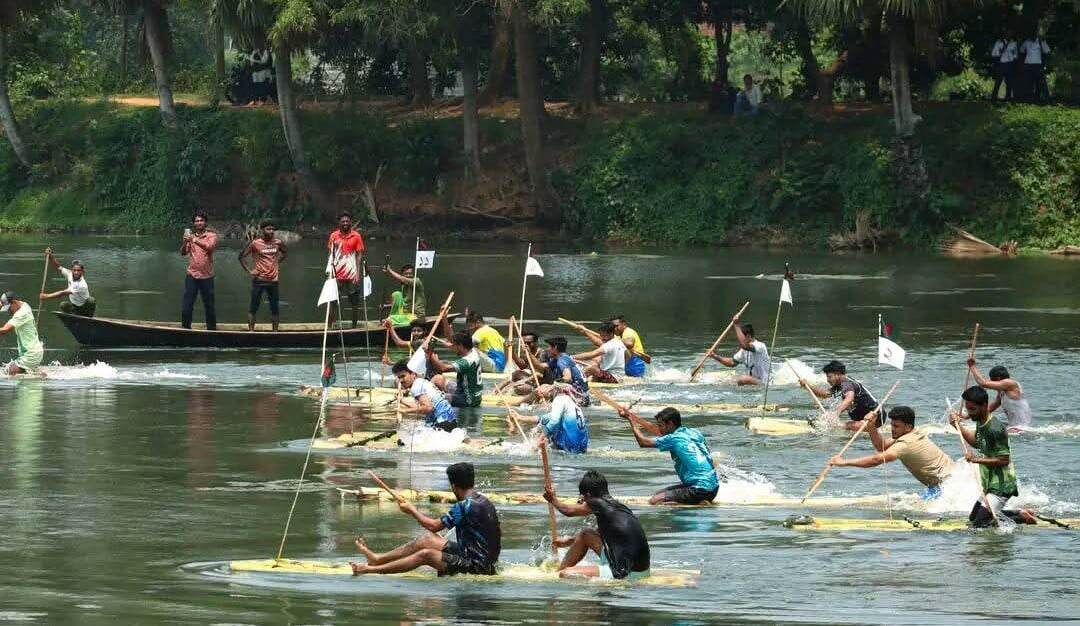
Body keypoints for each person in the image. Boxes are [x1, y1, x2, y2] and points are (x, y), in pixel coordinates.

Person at [351, 462, 501, 576]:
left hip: (477, 566)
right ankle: (377, 559)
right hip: (475, 556)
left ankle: (371, 569)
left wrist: (412, 511)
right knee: (426, 541)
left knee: (426, 554)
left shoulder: (464, 506)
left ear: (454, 486)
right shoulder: (484, 501)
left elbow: (434, 526)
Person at [543, 470, 650, 580]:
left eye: (582, 498)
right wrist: (569, 541)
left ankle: (560, 573)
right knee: (586, 534)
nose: (580, 501)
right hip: (641, 569)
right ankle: (559, 570)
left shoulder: (596, 502)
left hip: (627, 573)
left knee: (565, 574)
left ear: (588, 495)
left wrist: (552, 499)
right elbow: (600, 533)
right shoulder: (617, 508)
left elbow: (568, 511)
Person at [830, 406, 955, 500]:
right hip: (946, 481)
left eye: (896, 426)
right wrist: (872, 427)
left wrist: (844, 462)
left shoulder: (906, 443)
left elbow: (877, 459)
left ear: (908, 426)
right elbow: (881, 446)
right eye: (892, 425)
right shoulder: (914, 432)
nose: (892, 429)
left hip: (949, 485)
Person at [949, 386, 1026, 527]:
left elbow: (1004, 460)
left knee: (979, 524)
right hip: (990, 482)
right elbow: (977, 443)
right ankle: (1021, 515)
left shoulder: (995, 429)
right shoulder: (981, 421)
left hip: (1002, 484)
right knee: (973, 519)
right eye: (968, 409)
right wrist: (957, 426)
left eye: (972, 409)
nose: (969, 413)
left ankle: (1020, 518)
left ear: (984, 406)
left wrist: (975, 459)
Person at [624, 407, 719, 505]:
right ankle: (698, 499)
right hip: (713, 488)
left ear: (670, 424)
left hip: (700, 489)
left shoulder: (673, 439)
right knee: (659, 494)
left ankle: (699, 502)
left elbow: (643, 442)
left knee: (655, 500)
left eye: (661, 426)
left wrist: (631, 421)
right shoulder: (694, 432)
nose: (659, 429)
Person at [238, 219, 288, 331]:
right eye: (268, 229)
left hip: (273, 280)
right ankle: (251, 331)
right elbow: (241, 257)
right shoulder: (255, 243)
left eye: (272, 229)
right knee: (253, 307)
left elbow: (285, 252)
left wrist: (277, 262)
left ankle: (275, 332)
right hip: (259, 280)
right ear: (262, 230)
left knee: (275, 308)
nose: (271, 231)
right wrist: (249, 271)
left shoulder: (277, 242)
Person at [803, 360, 880, 431]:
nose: (827, 380)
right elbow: (824, 394)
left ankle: (832, 426)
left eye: (829, 377)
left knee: (846, 426)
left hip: (875, 419)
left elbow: (849, 398)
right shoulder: (839, 384)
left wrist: (835, 413)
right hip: (864, 419)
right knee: (846, 426)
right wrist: (808, 386)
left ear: (838, 374)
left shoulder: (847, 383)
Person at [510, 385, 589, 453]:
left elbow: (554, 422)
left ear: (550, 390)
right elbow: (545, 418)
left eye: (543, 386)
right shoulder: (568, 402)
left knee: (542, 438)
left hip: (569, 446)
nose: (539, 389)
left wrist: (540, 439)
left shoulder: (560, 399)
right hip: (581, 446)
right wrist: (520, 418)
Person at [392, 360, 458, 432]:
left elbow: (428, 408)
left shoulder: (416, 387)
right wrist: (402, 400)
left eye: (403, 376)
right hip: (450, 422)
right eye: (399, 377)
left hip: (442, 423)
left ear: (413, 374)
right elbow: (420, 407)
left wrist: (405, 410)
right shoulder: (420, 382)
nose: (401, 380)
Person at [968, 359, 1032, 431]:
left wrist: (972, 366)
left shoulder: (1009, 383)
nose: (991, 382)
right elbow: (990, 409)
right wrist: (967, 416)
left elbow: (983, 383)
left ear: (998, 379)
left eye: (992, 380)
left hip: (1021, 428)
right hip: (1013, 426)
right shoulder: (1002, 393)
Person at [525, 336, 590, 406]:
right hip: (580, 394)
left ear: (555, 347)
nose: (547, 349)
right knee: (544, 386)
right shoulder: (557, 359)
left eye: (549, 347)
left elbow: (567, 378)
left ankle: (517, 403)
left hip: (580, 398)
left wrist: (551, 387)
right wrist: (529, 353)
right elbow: (540, 366)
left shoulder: (562, 360)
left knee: (540, 391)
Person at [326, 212, 365, 328]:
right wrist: (329, 272)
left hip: (352, 274)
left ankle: (354, 327)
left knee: (354, 303)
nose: (345, 223)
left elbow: (359, 255)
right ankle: (329, 326)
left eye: (347, 221)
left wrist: (358, 273)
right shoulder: (333, 236)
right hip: (336, 274)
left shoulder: (356, 236)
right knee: (332, 301)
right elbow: (330, 254)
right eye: (343, 221)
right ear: (339, 222)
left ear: (351, 222)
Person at [180, 212, 218, 330]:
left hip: (206, 276)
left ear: (205, 223)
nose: (199, 222)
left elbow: (209, 247)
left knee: (209, 306)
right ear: (194, 223)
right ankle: (186, 329)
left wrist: (194, 240)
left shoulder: (212, 235)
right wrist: (185, 242)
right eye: (197, 221)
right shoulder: (190, 237)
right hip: (192, 275)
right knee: (187, 306)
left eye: (201, 220)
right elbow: (183, 253)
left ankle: (211, 330)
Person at [426, 332, 484, 408]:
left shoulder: (466, 362)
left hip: (468, 399)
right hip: (466, 392)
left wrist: (429, 352)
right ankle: (424, 396)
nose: (452, 347)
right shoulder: (473, 351)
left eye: (454, 345)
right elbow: (455, 342)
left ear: (460, 346)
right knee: (438, 378)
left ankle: (423, 401)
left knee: (433, 397)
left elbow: (443, 368)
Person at [710, 313, 770, 386]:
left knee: (743, 379)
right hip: (753, 380)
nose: (739, 340)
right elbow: (732, 362)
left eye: (741, 337)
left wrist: (736, 324)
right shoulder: (743, 351)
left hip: (764, 382)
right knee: (728, 378)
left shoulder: (760, 346)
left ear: (748, 336)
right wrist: (715, 356)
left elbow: (745, 345)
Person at [40, 247, 95, 317]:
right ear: (71, 270)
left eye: (78, 270)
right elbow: (58, 267)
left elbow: (63, 293)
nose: (76, 272)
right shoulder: (69, 274)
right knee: (63, 305)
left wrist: (46, 296)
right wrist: (50, 256)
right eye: (74, 270)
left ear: (82, 272)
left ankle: (89, 317)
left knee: (91, 300)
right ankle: (75, 316)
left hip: (85, 307)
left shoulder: (81, 284)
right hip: (74, 306)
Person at [494, 331, 553, 396]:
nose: (526, 345)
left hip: (540, 385)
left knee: (517, 387)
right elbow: (522, 366)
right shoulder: (529, 352)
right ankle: (495, 391)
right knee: (515, 374)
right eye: (524, 343)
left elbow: (539, 373)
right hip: (530, 380)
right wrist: (512, 352)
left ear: (536, 343)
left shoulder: (543, 354)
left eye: (529, 343)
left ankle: (507, 395)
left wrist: (521, 382)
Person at [0, 292, 44, 376]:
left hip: (31, 353)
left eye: (9, 308)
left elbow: (5, 330)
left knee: (11, 370)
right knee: (7, 370)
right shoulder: (24, 305)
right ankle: (40, 373)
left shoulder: (21, 314)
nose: (9, 311)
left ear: (14, 302)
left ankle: (40, 375)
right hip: (33, 352)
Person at [1018, 34, 1050, 102]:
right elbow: (1021, 51)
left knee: (1041, 83)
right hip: (1028, 65)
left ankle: (1043, 98)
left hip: (1038, 65)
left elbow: (1047, 51)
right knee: (1029, 82)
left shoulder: (1041, 42)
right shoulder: (1026, 42)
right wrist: (1022, 63)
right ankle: (1029, 98)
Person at [990, 33, 1018, 102]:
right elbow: (993, 53)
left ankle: (1008, 98)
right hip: (1001, 64)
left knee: (1009, 82)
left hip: (1010, 64)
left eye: (1010, 34)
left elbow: (1016, 54)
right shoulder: (999, 43)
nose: (1009, 35)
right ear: (1004, 35)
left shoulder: (1014, 43)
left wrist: (1013, 59)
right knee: (998, 82)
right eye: (1007, 34)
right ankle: (994, 98)